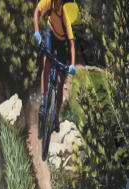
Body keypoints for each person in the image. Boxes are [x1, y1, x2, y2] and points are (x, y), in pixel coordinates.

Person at [33, 0, 77, 128]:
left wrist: (72, 65)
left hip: (61, 41)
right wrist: (37, 31)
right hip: (50, 33)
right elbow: (37, 12)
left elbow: (72, 44)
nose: (57, 1)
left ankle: (56, 116)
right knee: (46, 64)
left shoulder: (65, 16)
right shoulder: (49, 1)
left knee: (61, 81)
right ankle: (42, 101)